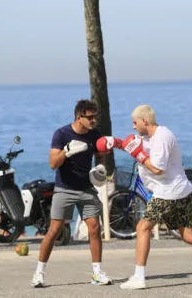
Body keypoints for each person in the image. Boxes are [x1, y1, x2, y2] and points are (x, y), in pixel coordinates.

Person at [113, 104, 192, 290]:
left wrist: (138, 155)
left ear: (144, 121)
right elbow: (135, 145)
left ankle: (139, 278)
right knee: (188, 234)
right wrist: (117, 143)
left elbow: (157, 169)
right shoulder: (148, 136)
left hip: (168, 192)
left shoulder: (162, 137)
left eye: (134, 123)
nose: (133, 127)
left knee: (142, 227)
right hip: (179, 190)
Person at [31, 99, 113, 287]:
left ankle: (97, 273)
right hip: (65, 189)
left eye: (95, 117)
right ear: (79, 117)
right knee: (54, 231)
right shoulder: (61, 134)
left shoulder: (95, 135)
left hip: (87, 189)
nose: (93, 121)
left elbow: (99, 157)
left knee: (94, 228)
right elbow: (53, 164)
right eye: (90, 117)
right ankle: (38, 274)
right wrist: (67, 152)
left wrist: (100, 169)